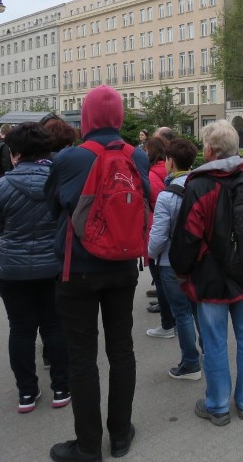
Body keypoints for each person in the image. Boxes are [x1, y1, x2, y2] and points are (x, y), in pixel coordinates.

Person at [45, 85, 149, 462]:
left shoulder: (70, 158)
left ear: (86, 117)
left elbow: (53, 206)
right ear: (119, 116)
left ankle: (88, 446)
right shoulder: (136, 155)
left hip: (79, 270)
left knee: (82, 357)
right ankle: (120, 435)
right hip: (123, 267)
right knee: (122, 349)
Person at [171, 120, 243, 425]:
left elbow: (187, 237)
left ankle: (217, 406)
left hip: (210, 279)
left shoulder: (198, 185)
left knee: (214, 344)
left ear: (210, 150)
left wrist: (182, 271)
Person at [0, 123, 70, 413]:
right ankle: (61, 388)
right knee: (55, 327)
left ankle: (26, 393)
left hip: (12, 269)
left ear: (16, 153)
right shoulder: (59, 181)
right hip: (53, 267)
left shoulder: (4, 185)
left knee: (21, 330)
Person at [147, 138, 202, 380]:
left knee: (181, 313)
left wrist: (151, 253)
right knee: (199, 310)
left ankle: (190, 363)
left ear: (170, 161)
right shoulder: (201, 186)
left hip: (171, 262)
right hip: (199, 261)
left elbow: (158, 236)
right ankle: (210, 354)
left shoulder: (167, 196)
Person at [144, 137, 175, 338]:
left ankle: (167, 325)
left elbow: (154, 203)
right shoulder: (168, 172)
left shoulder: (152, 175)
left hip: (157, 229)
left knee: (161, 281)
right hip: (175, 233)